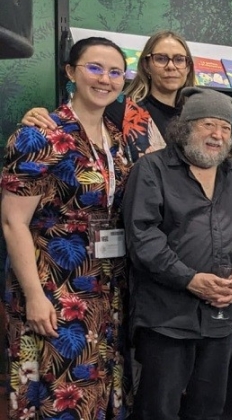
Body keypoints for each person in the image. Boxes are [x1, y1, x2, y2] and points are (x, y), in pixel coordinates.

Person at [2, 36, 131, 420]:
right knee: (60, 395)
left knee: (101, 387)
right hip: (54, 285)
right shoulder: (39, 134)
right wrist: (34, 296)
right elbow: (12, 222)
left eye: (115, 71)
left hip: (107, 286)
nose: (104, 79)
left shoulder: (117, 139)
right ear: (70, 72)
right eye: (94, 67)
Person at [122, 86, 232, 420]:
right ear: (185, 127)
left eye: (225, 128)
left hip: (222, 317)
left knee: (209, 408)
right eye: (208, 124)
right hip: (167, 317)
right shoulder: (152, 170)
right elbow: (143, 237)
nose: (217, 134)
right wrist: (191, 280)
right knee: (159, 409)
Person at [21, 30, 196, 161]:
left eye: (179, 59)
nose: (171, 66)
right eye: (161, 58)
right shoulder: (120, 108)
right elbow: (75, 120)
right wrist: (38, 116)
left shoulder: (198, 115)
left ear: (188, 66)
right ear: (147, 65)